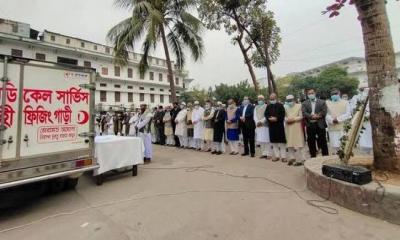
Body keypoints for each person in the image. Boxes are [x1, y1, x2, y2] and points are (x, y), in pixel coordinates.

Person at [302, 88, 329, 158]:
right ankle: (313, 156)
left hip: (320, 124)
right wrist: (311, 116)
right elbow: (304, 113)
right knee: (311, 141)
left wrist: (317, 116)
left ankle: (325, 156)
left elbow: (324, 111)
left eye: (312, 93)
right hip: (310, 124)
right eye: (309, 94)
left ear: (315, 93)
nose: (311, 95)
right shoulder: (304, 103)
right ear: (307, 95)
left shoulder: (322, 102)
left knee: (323, 141)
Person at [326, 89, 352, 154]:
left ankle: (344, 157)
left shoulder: (345, 102)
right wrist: (332, 120)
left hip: (342, 126)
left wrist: (338, 119)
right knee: (335, 145)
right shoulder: (327, 103)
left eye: (336, 94)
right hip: (332, 127)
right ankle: (336, 157)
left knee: (343, 144)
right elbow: (326, 114)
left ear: (339, 94)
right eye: (332, 94)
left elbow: (348, 113)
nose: (334, 95)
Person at [284, 95, 305, 166]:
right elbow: (284, 116)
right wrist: (287, 120)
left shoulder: (299, 106)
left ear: (294, 100)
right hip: (288, 126)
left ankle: (300, 160)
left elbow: (301, 116)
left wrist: (293, 119)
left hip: (296, 126)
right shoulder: (285, 107)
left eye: (291, 100)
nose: (290, 102)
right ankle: (291, 158)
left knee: (298, 143)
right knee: (289, 143)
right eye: (288, 101)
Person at [265, 93, 287, 162]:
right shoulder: (268, 106)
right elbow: (266, 114)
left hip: (279, 126)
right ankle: (277, 156)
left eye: (273, 99)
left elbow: (283, 114)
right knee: (274, 142)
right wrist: (269, 118)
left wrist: (277, 118)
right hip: (271, 126)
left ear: (276, 98)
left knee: (281, 142)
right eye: (271, 99)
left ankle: (283, 157)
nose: (272, 100)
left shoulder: (280, 105)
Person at [254, 95, 272, 159]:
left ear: (264, 100)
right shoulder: (256, 107)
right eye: (258, 99)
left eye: (261, 99)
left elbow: (267, 115)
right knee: (261, 140)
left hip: (265, 125)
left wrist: (261, 122)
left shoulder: (267, 106)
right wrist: (257, 122)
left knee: (266, 140)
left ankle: (268, 154)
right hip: (258, 126)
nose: (260, 100)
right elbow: (255, 116)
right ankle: (263, 153)